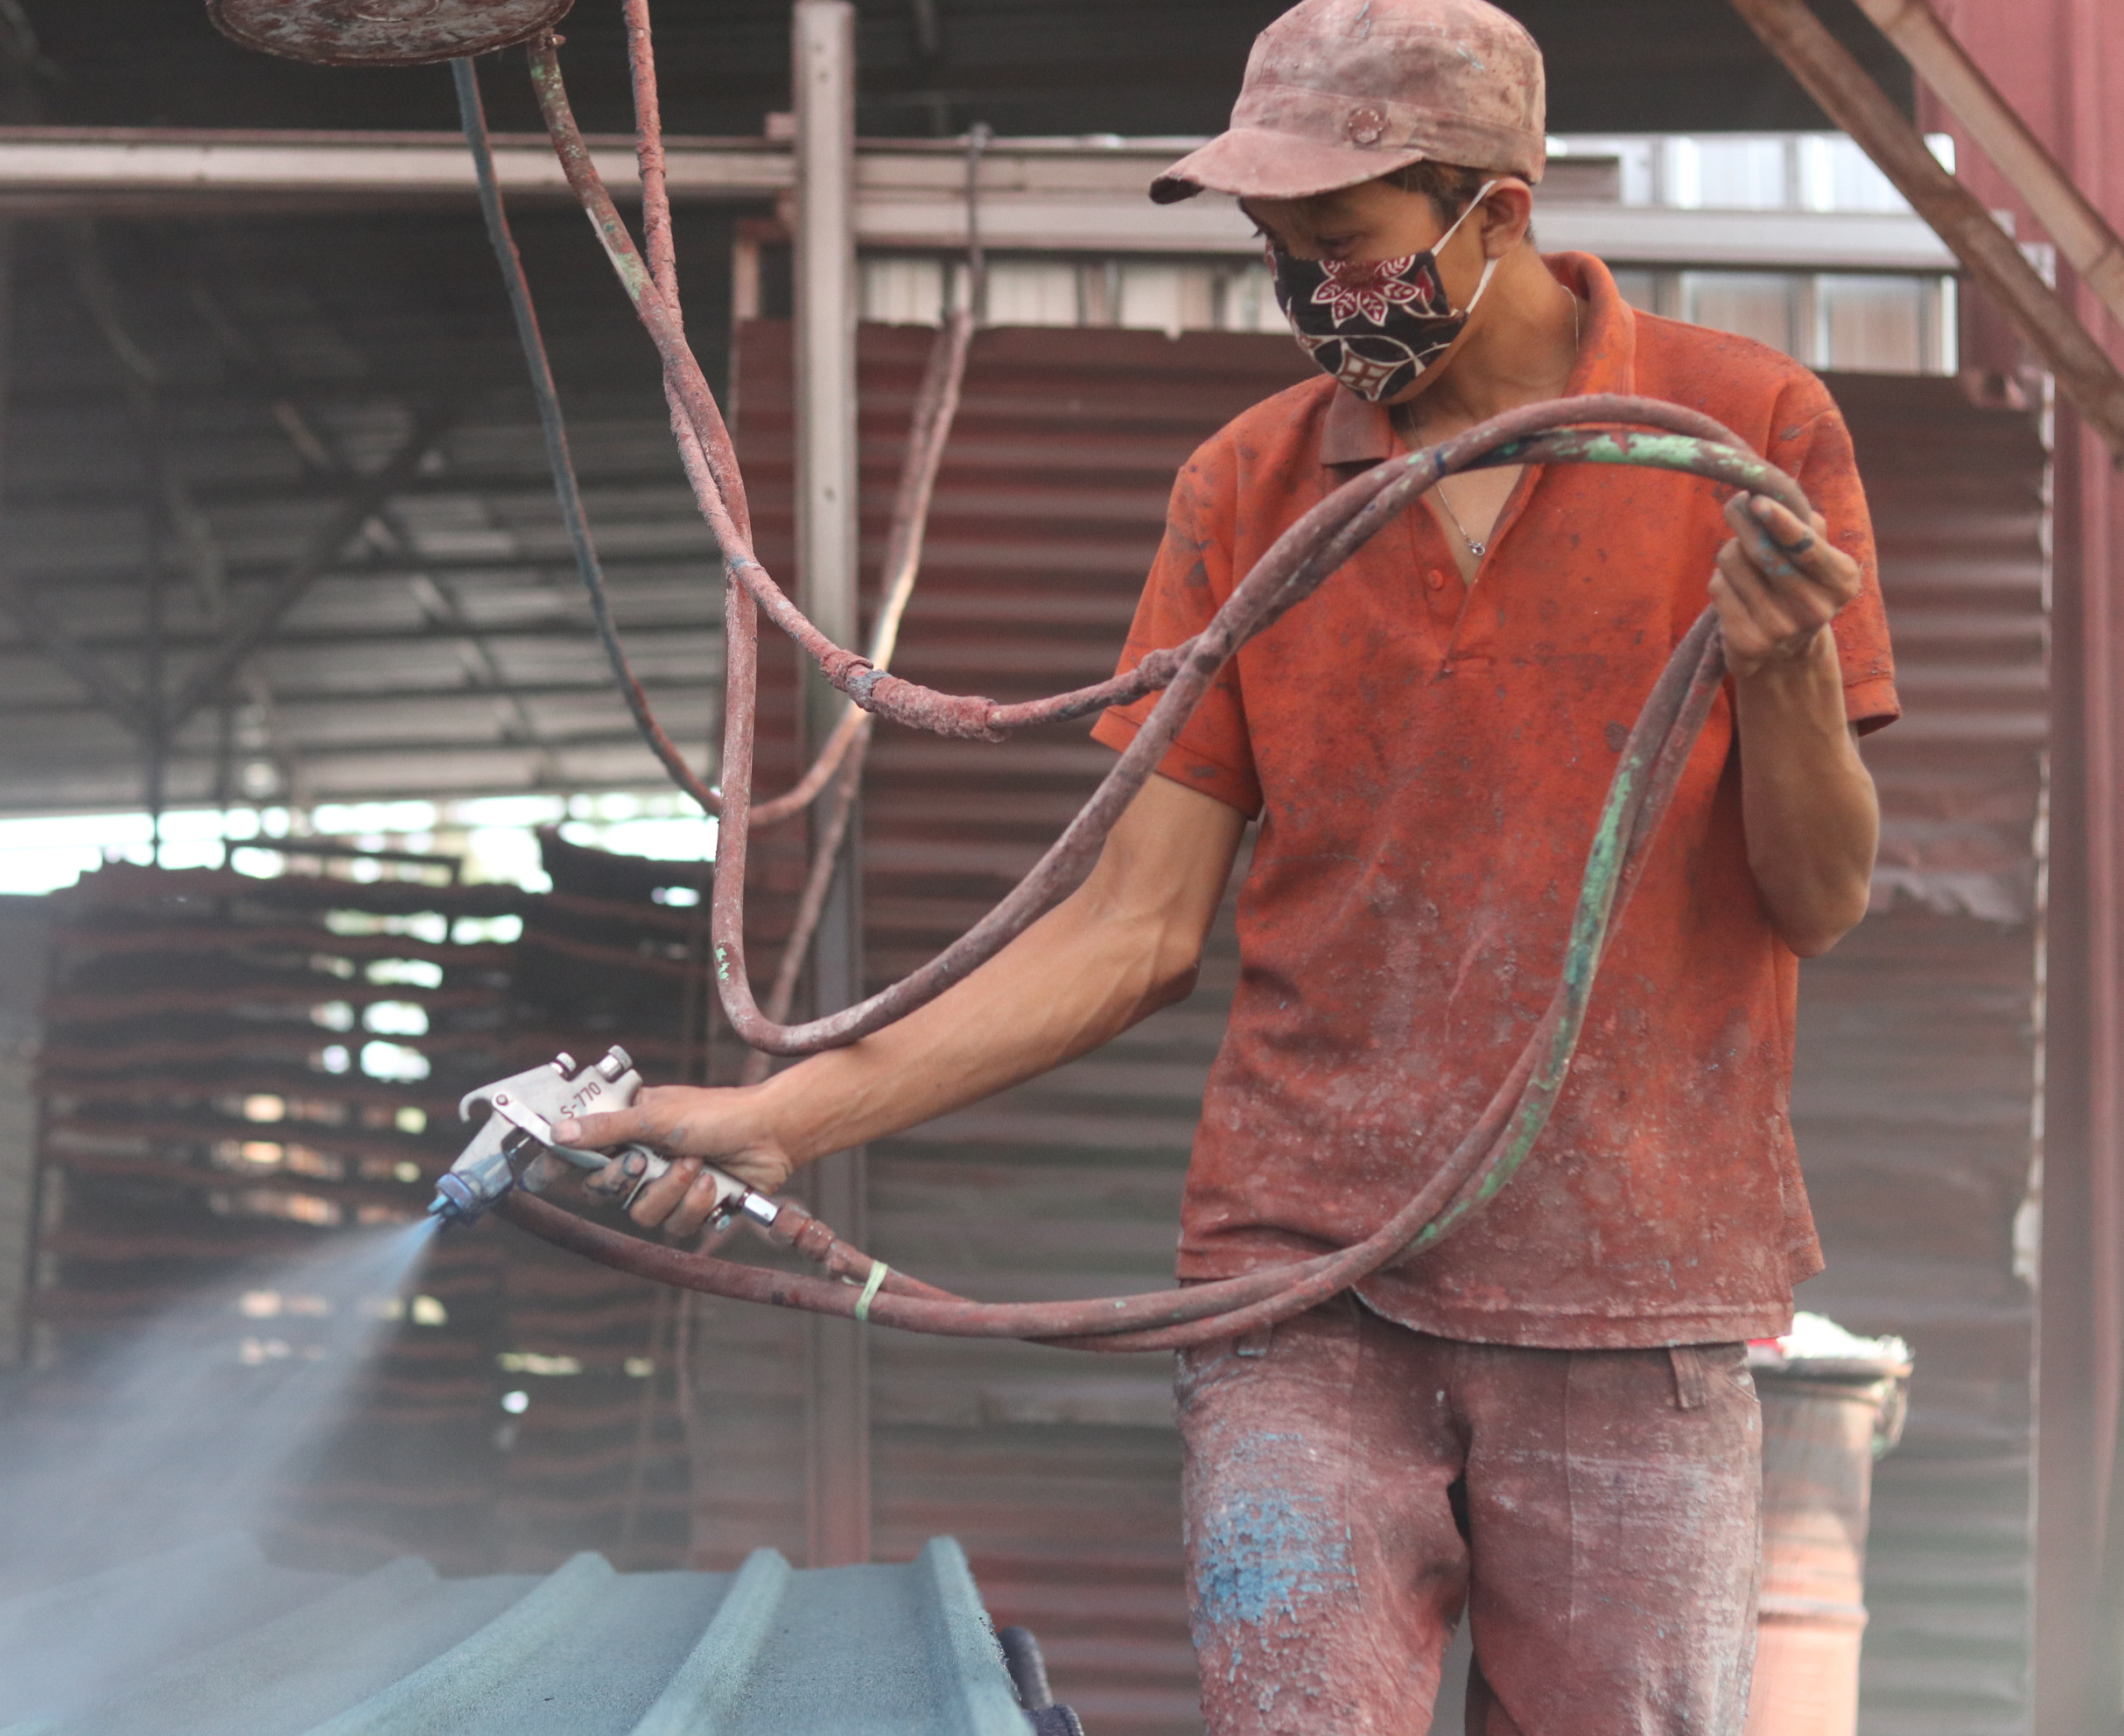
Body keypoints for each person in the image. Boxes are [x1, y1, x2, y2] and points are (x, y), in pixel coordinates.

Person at [547, 0, 1896, 1728]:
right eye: (1282, 251)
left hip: (1631, 1280)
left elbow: (1820, 890)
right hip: (1304, 1278)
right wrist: (780, 1113)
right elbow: (1132, 924)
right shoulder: (1247, 490)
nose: (1319, 290)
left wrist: (1782, 665)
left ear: (1495, 211)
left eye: (1347, 242)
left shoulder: (1745, 430)